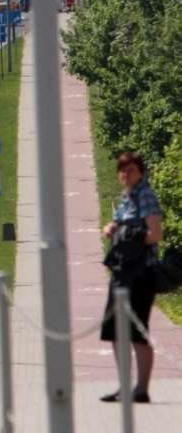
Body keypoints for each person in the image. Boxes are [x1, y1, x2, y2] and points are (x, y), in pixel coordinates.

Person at [99, 152, 163, 403]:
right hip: (121, 271)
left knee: (137, 331)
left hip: (140, 271)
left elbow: (155, 233)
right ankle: (125, 385)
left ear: (141, 172)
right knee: (115, 330)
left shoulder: (145, 195)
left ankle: (141, 388)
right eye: (123, 171)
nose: (126, 175)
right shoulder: (126, 198)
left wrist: (132, 241)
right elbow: (118, 223)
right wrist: (111, 229)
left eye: (132, 170)